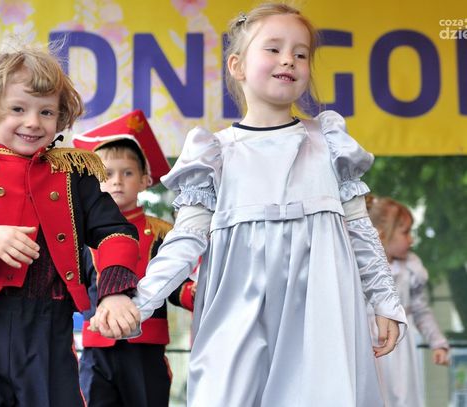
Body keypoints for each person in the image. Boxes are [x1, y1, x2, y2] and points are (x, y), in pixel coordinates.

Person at [93, 3, 408, 406]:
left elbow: (361, 230)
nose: (288, 60)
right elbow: (185, 239)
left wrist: (384, 300)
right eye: (273, 49)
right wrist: (140, 302)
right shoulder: (213, 153)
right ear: (237, 65)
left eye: (300, 53)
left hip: (320, 313)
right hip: (238, 313)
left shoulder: (330, 144)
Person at [0, 42, 141, 407]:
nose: (33, 122)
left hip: (49, 324)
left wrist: (115, 292)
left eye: (46, 111)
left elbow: (116, 232)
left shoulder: (74, 173)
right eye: (18, 109)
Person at [74, 110, 195, 406]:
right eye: (107, 174)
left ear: (144, 180)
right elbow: (75, 285)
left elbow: (175, 285)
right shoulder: (80, 234)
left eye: (127, 173)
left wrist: (199, 293)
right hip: (95, 348)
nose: (117, 181)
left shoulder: (163, 232)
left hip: (145, 348)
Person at [367, 195, 449, 407]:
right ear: (382, 234)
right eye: (405, 232)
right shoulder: (364, 269)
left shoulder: (411, 268)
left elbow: (421, 310)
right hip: (370, 346)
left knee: (403, 397)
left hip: (401, 350)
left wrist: (438, 343)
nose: (411, 240)